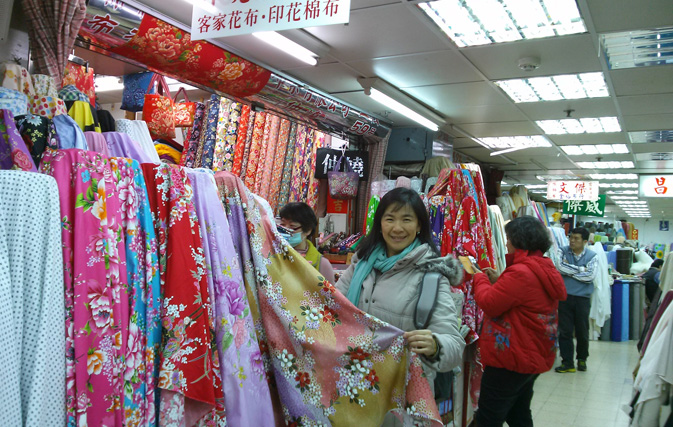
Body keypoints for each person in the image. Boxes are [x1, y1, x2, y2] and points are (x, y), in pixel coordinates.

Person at [335, 187, 465, 423]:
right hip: (354, 383)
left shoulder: (431, 275)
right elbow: (333, 308)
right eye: (390, 219)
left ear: (419, 226)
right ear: (380, 223)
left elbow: (454, 345)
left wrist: (436, 345)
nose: (397, 228)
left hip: (400, 397)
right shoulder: (362, 263)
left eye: (406, 219)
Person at [473, 216, 567, 427]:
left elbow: (489, 303)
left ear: (518, 240)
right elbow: (524, 299)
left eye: (508, 239)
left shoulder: (521, 272)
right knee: (518, 413)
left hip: (511, 358)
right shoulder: (542, 266)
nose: (506, 243)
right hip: (531, 354)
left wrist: (479, 277)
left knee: (489, 417)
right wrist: (500, 281)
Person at [554, 227, 598, 373]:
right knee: (565, 331)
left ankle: (582, 359)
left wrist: (570, 272)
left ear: (585, 241)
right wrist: (581, 269)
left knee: (582, 331)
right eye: (571, 237)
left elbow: (590, 277)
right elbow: (560, 267)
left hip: (582, 299)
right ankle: (567, 362)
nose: (572, 241)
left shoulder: (592, 256)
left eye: (576, 238)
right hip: (565, 297)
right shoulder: (563, 250)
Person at [279, 202, 336, 284]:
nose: (286, 230)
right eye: (282, 225)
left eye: (293, 227)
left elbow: (329, 295)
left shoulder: (321, 264)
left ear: (308, 230)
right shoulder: (272, 256)